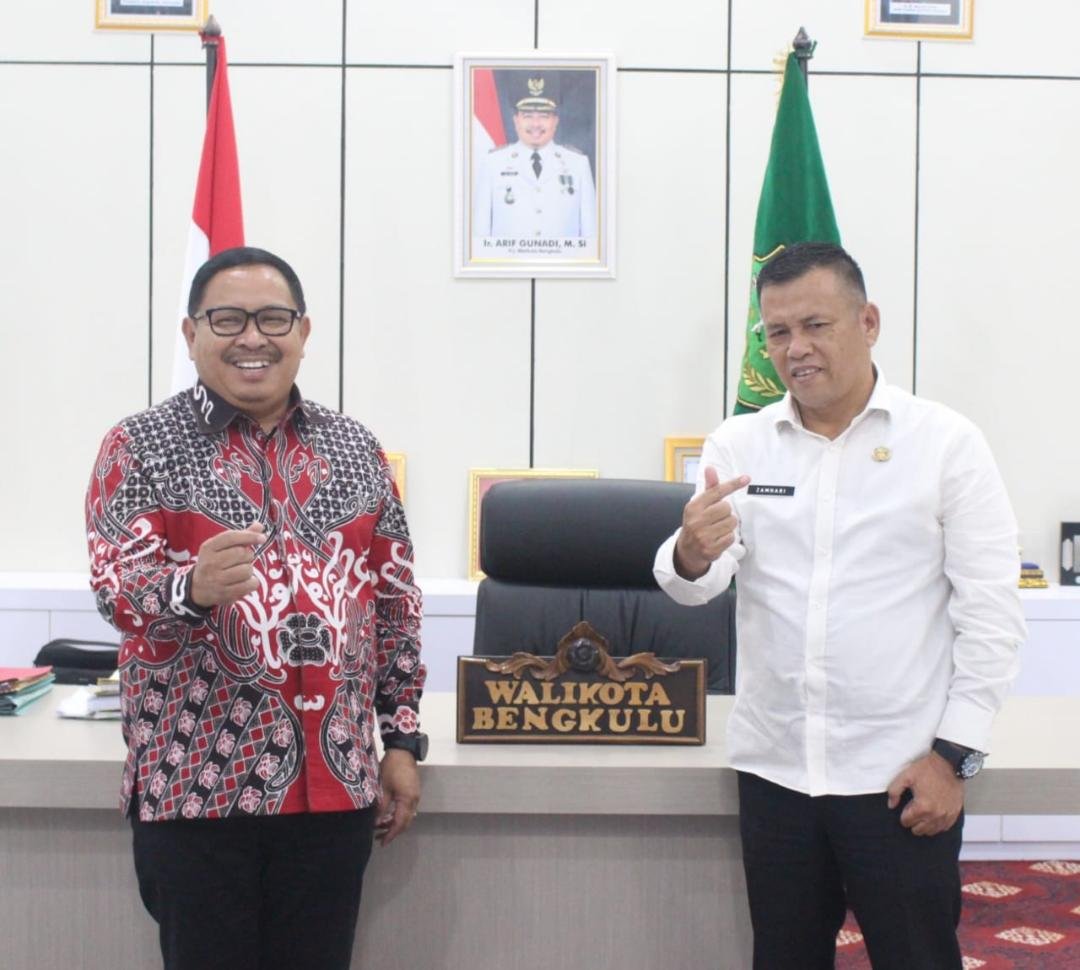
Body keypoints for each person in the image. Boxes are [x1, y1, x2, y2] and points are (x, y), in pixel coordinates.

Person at [653, 242, 1025, 969]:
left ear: (869, 322)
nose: (796, 349)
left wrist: (954, 758)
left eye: (816, 325)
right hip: (777, 774)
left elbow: (992, 615)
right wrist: (690, 549)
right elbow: (698, 582)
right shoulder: (740, 441)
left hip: (901, 776)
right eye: (778, 332)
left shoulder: (946, 445)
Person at [85, 246, 427, 970]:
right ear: (191, 334)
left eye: (272, 318)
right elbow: (117, 588)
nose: (252, 337)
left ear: (302, 332)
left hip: (333, 791)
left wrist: (400, 741)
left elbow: (393, 603)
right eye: (228, 319)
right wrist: (190, 590)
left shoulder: (355, 447)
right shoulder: (138, 447)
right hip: (197, 792)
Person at [472, 76, 597, 239]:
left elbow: (591, 237)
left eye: (544, 116)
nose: (536, 124)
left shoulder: (578, 165)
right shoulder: (492, 164)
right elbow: (480, 237)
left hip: (562, 264)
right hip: (508, 264)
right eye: (527, 116)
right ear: (516, 120)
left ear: (555, 121)